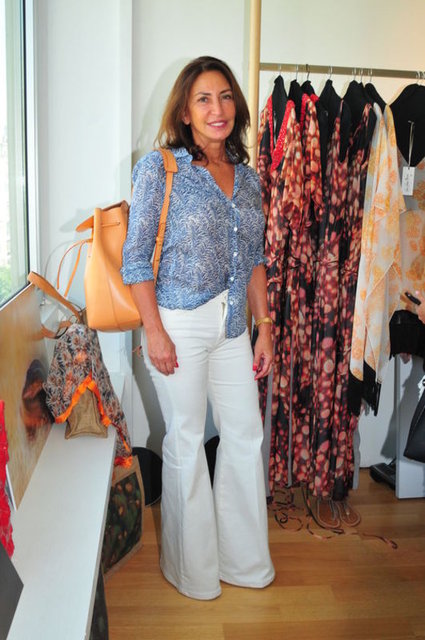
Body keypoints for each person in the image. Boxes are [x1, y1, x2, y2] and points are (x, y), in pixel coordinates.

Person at [121, 56, 275, 600]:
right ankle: (192, 571)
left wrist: (264, 327)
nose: (218, 108)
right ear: (185, 112)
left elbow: (254, 259)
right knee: (186, 439)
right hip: (178, 324)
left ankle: (243, 562)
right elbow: (135, 259)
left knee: (245, 434)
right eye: (204, 99)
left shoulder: (249, 179)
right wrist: (154, 332)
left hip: (234, 325)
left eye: (225, 96)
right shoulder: (159, 169)